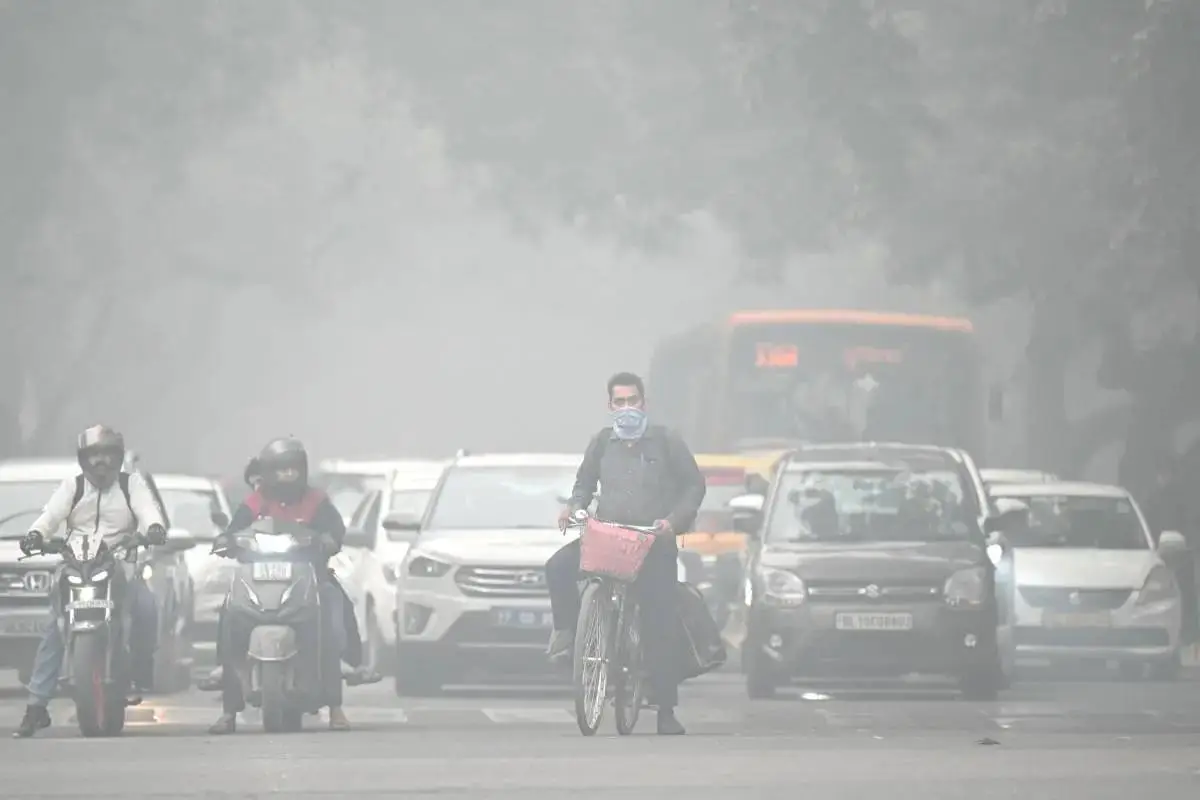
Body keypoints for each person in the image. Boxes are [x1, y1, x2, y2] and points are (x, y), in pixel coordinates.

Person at [545, 372, 706, 736]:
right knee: (557, 567)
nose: (627, 408)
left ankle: (666, 710)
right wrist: (574, 506)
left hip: (653, 542)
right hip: (608, 537)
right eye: (620, 402)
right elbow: (584, 482)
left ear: (644, 403)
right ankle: (570, 637)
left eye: (633, 401)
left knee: (659, 623)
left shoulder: (666, 441)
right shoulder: (602, 443)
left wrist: (674, 521)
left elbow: (694, 484)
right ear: (610, 406)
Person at [207, 438, 377, 735]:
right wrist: (226, 541)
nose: (288, 477)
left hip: (310, 575)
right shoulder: (254, 503)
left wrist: (329, 539)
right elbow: (233, 531)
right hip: (255, 576)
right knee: (230, 614)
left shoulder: (317, 501)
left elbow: (335, 529)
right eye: (281, 471)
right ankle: (228, 706)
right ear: (268, 473)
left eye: (293, 470)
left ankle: (336, 704)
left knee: (333, 612)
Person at [12, 425, 167, 738]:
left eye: (108, 455)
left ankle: (140, 671)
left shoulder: (130, 484)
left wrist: (154, 529)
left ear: (118, 458)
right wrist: (35, 535)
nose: (101, 462)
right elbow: (50, 516)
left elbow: (149, 512)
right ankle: (36, 707)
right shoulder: (73, 486)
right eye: (94, 455)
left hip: (120, 564)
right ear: (83, 459)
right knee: (55, 628)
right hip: (75, 565)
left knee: (147, 608)